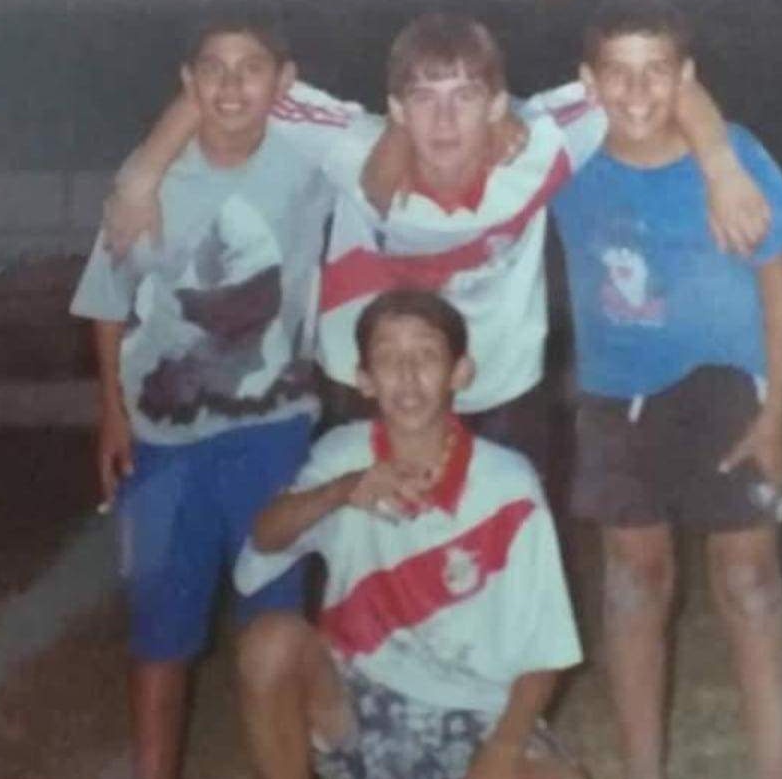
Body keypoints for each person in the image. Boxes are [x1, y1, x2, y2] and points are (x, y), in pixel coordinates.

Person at [104, 11, 770, 471]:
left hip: (501, 387)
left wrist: (722, 167)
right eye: (424, 97)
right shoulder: (347, 144)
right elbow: (235, 86)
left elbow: (650, 81)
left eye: (465, 96)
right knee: (371, 565)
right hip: (368, 384)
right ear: (395, 107)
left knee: (498, 571)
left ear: (496, 103)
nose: (445, 118)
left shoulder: (539, 146)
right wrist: (140, 176)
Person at [549, 4, 782, 779]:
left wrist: (777, 414)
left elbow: (781, 277)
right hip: (614, 396)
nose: (637, 91)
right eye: (617, 73)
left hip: (730, 386)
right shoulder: (564, 156)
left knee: (749, 580)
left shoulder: (732, 154)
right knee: (634, 583)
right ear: (586, 81)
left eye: (657, 71)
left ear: (686, 78)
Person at [68, 12, 333, 779]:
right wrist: (113, 415)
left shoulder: (311, 163)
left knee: (273, 623)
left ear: (284, 84)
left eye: (252, 67)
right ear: (187, 82)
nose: (230, 85)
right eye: (211, 68)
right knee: (159, 632)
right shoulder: (145, 181)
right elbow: (110, 303)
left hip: (275, 431)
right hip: (162, 442)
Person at [231, 288, 585, 779]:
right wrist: (343, 490)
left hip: (475, 708)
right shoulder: (342, 455)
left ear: (460, 372)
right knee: (267, 642)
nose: (408, 374)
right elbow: (266, 536)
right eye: (387, 357)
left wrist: (501, 750)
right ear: (364, 379)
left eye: (426, 354)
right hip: (356, 699)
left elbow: (545, 647)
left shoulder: (509, 484)